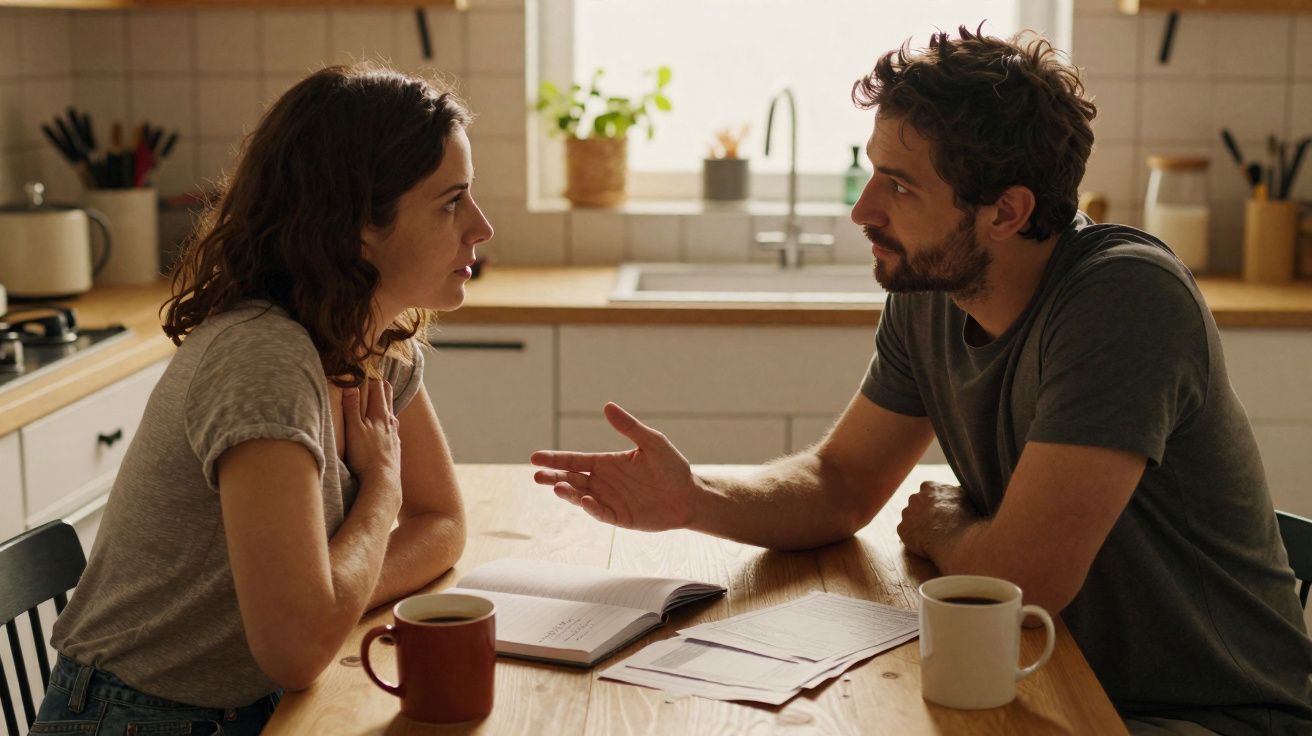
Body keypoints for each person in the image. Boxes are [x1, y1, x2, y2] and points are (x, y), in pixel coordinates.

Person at [531, 26, 1312, 735]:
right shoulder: (934, 291)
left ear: (1006, 212)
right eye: (874, 173)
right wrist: (694, 499)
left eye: (899, 186)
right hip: (1043, 677)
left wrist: (944, 527)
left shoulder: (1124, 299)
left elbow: (1020, 581)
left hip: (1208, 715)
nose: (863, 210)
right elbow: (840, 483)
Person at [33, 63, 492, 735]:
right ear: (360, 224)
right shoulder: (263, 358)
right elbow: (298, 648)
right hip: (139, 718)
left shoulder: (376, 345)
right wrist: (381, 490)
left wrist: (335, 595)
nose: (481, 227)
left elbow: (444, 524)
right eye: (451, 202)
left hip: (254, 707)